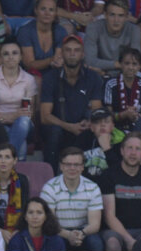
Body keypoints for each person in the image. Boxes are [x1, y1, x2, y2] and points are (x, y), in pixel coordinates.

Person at [39, 34, 105, 167]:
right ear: (62, 53)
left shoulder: (93, 78)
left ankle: (93, 178)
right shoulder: (50, 78)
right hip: (60, 129)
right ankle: (50, 178)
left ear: (82, 54)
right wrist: (68, 126)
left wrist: (88, 123)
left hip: (83, 128)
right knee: (54, 131)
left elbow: (96, 111)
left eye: (76, 50)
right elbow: (45, 117)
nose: (72, 54)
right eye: (68, 50)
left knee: (97, 129)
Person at [41, 147, 106, 251]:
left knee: (96, 243)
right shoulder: (49, 188)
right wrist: (68, 235)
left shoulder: (93, 188)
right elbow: (50, 223)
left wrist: (82, 233)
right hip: (59, 232)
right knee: (55, 241)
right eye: (68, 164)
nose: (72, 168)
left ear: (82, 167)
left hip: (84, 233)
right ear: (61, 166)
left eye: (76, 165)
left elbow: (95, 224)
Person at [0, 40, 37, 163]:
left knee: (23, 123)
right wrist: (12, 117)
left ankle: (4, 159)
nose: (10, 57)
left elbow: (27, 113)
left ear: (21, 56)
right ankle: (16, 165)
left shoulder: (28, 80)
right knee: (21, 142)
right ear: (1, 57)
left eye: (15, 53)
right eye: (6, 54)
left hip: (22, 124)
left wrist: (7, 117)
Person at [19, 0, 73, 75]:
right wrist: (50, 60)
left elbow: (58, 60)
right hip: (30, 76)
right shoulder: (25, 31)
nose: (47, 13)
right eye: (43, 9)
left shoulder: (61, 31)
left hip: (53, 75)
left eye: (51, 10)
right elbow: (29, 65)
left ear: (55, 13)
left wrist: (55, 61)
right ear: (36, 10)